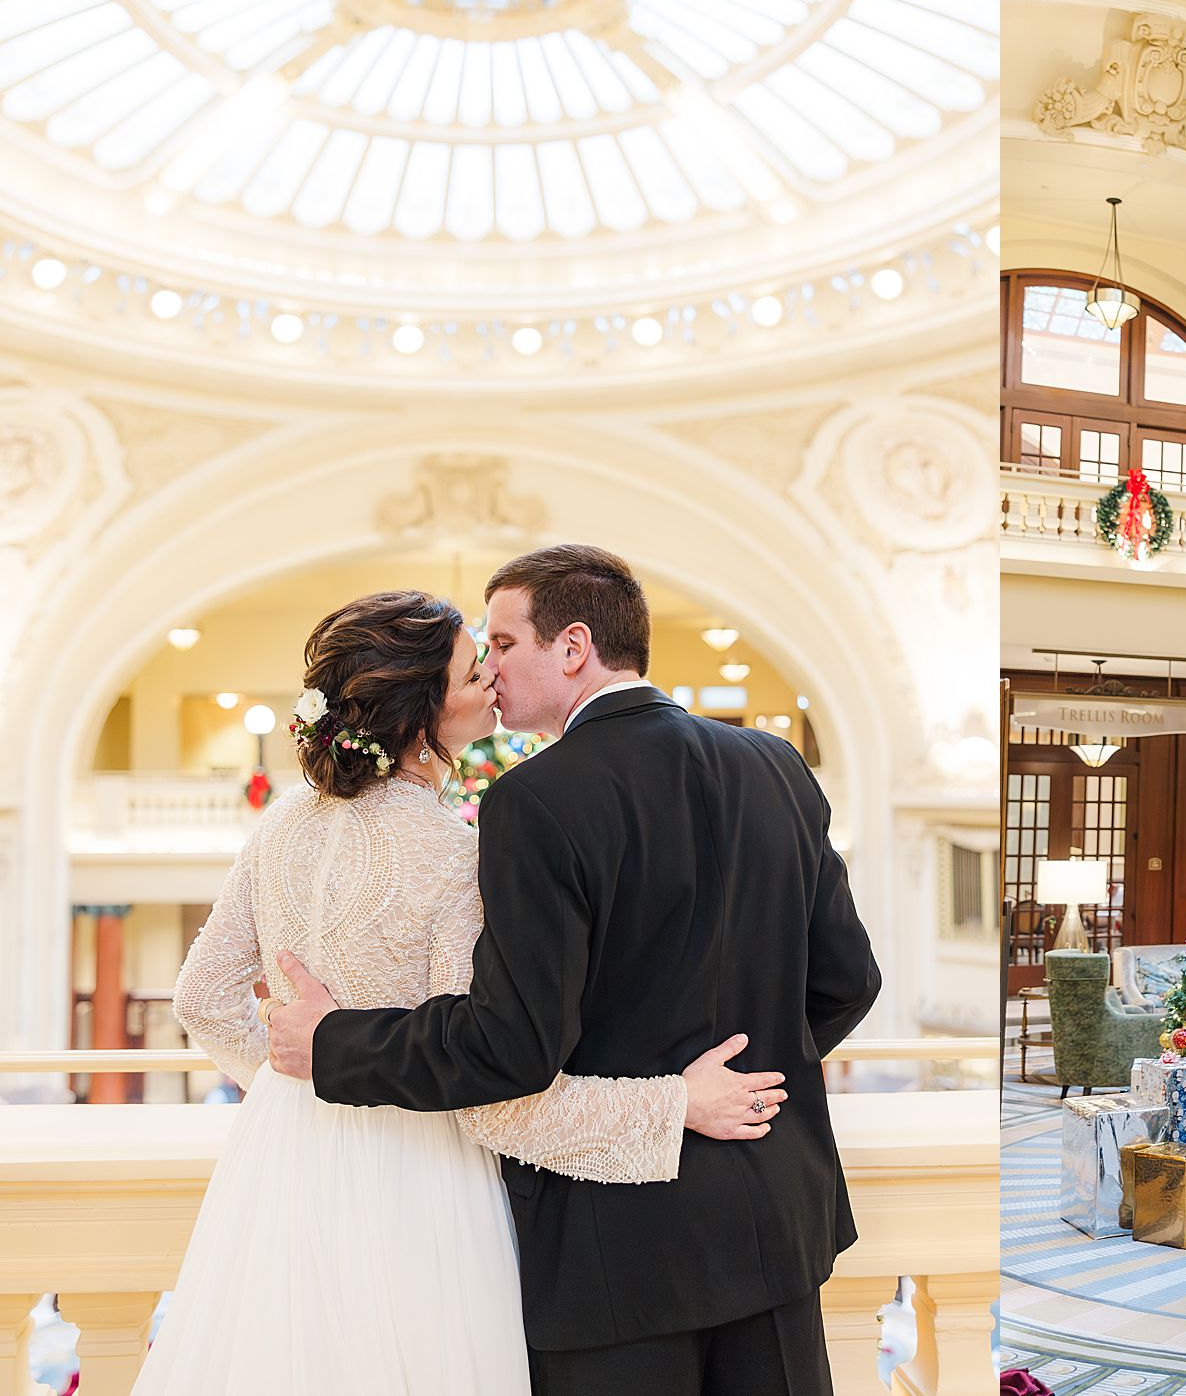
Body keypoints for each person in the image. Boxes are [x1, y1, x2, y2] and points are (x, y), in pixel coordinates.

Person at [267, 544, 881, 1395]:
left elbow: (511, 1047)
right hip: (774, 1221)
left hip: (614, 1255)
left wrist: (334, 1041)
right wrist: (750, 1071)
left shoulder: (534, 799)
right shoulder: (775, 764)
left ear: (573, 646)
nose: (491, 671)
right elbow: (849, 981)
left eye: (504, 644)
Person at [144, 589, 782, 1395]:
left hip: (282, 1163)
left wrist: (291, 1081)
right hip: (419, 1183)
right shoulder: (455, 853)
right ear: (417, 709)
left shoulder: (279, 828)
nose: (490, 678)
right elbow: (492, 1093)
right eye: (470, 668)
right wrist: (674, 1106)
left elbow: (201, 998)